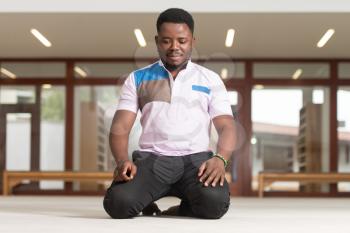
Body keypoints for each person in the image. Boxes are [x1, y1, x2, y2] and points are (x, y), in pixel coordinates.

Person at [103, 8, 236, 219]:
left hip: (196, 164)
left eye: (182, 41)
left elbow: (227, 126)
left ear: (193, 40)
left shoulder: (210, 79)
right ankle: (145, 201)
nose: (174, 47)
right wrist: (121, 161)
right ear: (157, 41)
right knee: (118, 204)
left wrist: (220, 159)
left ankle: (181, 209)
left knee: (215, 205)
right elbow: (120, 128)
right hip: (151, 161)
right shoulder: (137, 78)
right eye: (166, 41)